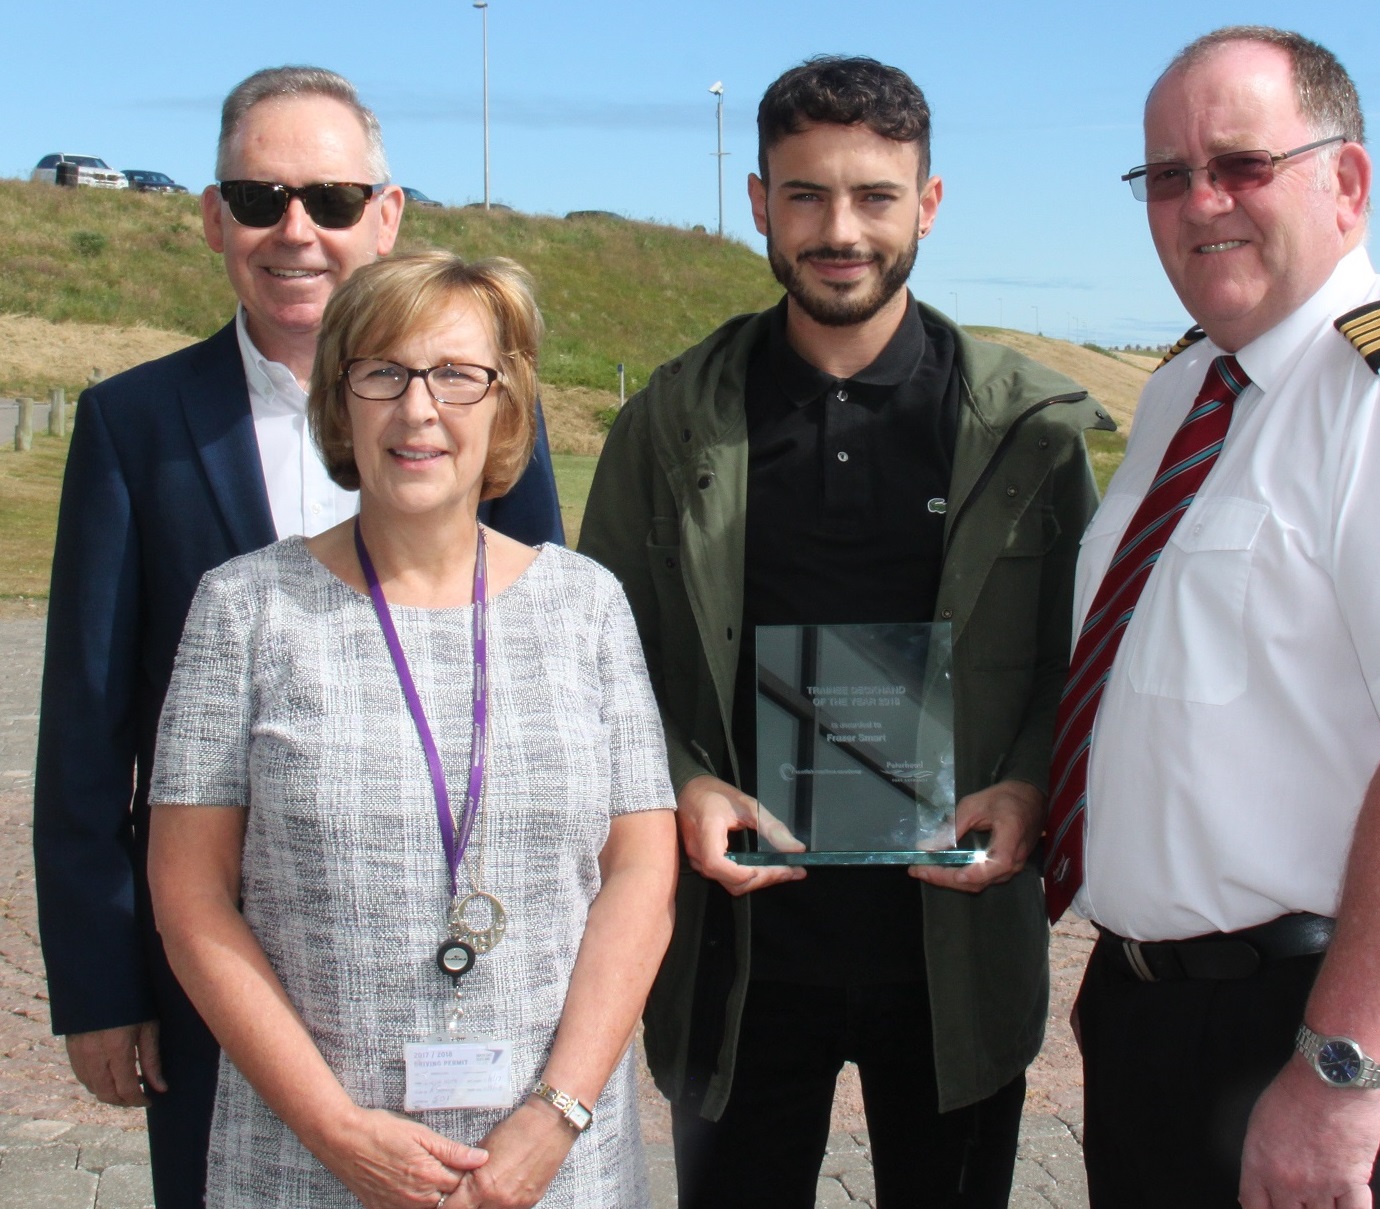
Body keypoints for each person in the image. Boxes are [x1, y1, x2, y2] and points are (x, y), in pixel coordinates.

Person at [579, 55, 1112, 1209]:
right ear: (757, 202)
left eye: (874, 196)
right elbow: (599, 664)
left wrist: (1027, 783)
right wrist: (681, 782)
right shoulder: (668, 422)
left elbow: (1080, 661)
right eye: (805, 195)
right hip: (740, 955)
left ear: (927, 204)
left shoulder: (1027, 432)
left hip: (952, 952)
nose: (839, 231)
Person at [32, 66, 564, 1208]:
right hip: (223, 971)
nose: (296, 230)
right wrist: (97, 981)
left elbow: (534, 683)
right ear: (212, 216)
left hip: (470, 977)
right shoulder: (133, 424)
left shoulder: (482, 414)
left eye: (330, 199)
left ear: (387, 214)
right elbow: (86, 726)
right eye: (259, 197)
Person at [1040, 26, 1380, 1209]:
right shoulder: (1183, 390)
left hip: (1307, 1021)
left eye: (1239, 165)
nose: (1199, 202)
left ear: (1346, 183)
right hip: (1151, 1013)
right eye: (1166, 175)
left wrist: (1338, 1072)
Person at [146, 249, 677, 1208]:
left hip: (555, 1163)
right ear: (339, 398)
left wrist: (556, 1111)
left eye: (457, 375)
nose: (418, 409)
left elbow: (641, 873)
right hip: (307, 1160)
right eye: (383, 373)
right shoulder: (244, 609)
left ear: (506, 403)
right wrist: (333, 1128)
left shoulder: (587, 606)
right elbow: (190, 896)